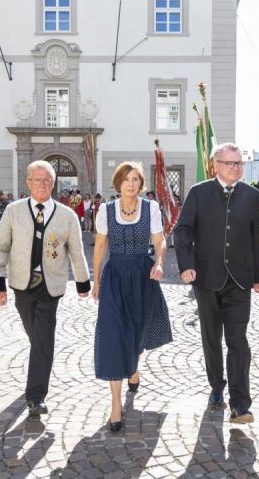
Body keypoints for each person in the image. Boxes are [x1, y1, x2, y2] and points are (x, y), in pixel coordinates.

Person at [173, 142, 259, 424]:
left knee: (238, 341)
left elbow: (257, 237)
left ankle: (240, 404)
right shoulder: (199, 193)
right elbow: (183, 230)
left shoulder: (251, 196)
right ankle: (216, 385)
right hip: (206, 279)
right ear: (216, 165)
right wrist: (186, 265)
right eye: (230, 163)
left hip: (239, 280)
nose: (236, 168)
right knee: (211, 338)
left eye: (239, 163)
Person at [0, 160, 90, 417]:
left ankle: (36, 396)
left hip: (51, 286)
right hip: (22, 285)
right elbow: (0, 247)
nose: (42, 184)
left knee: (44, 339)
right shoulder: (13, 212)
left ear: (53, 183)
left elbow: (77, 252)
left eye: (47, 180)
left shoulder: (67, 216)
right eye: (37, 180)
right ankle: (40, 363)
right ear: (28, 183)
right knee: (35, 336)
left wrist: (82, 282)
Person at [91, 162, 173, 432]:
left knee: (137, 329)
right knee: (114, 334)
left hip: (141, 274)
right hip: (114, 276)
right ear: (118, 183)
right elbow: (101, 246)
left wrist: (159, 262)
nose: (131, 183)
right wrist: (96, 280)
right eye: (126, 179)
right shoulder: (106, 210)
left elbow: (159, 240)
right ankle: (116, 403)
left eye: (135, 179)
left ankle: (134, 364)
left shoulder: (150, 209)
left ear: (141, 184)